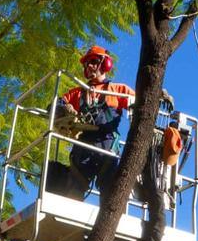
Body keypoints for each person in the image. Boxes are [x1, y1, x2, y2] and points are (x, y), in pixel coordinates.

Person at [46, 45, 137, 199]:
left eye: (93, 61)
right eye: (87, 63)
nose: (89, 66)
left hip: (107, 146)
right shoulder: (79, 92)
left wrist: (159, 95)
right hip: (84, 146)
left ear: (105, 64)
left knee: (110, 194)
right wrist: (63, 109)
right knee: (73, 189)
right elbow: (53, 106)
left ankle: (109, 214)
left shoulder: (117, 90)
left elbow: (142, 102)